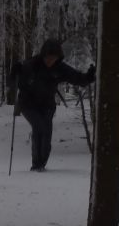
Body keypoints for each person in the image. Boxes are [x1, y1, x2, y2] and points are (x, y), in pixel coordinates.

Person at [10, 38, 95, 171]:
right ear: (43, 55)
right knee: (39, 127)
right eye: (48, 57)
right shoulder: (31, 65)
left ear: (58, 58)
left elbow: (77, 78)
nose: (50, 61)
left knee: (47, 133)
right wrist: (14, 72)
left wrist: (88, 77)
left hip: (47, 105)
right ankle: (36, 164)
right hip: (28, 104)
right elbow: (14, 82)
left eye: (53, 58)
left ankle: (41, 163)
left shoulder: (60, 68)